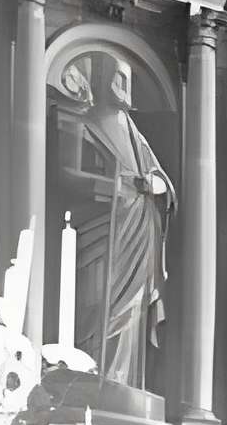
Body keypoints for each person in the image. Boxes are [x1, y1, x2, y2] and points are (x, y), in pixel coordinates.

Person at [54, 52, 175, 392]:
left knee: (134, 313)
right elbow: (66, 175)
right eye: (117, 78)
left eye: (127, 80)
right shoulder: (82, 122)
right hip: (102, 235)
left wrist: (157, 185)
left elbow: (160, 177)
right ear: (102, 78)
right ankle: (94, 381)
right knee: (98, 308)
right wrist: (118, 187)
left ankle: (125, 384)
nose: (125, 88)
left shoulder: (136, 134)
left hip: (139, 235)